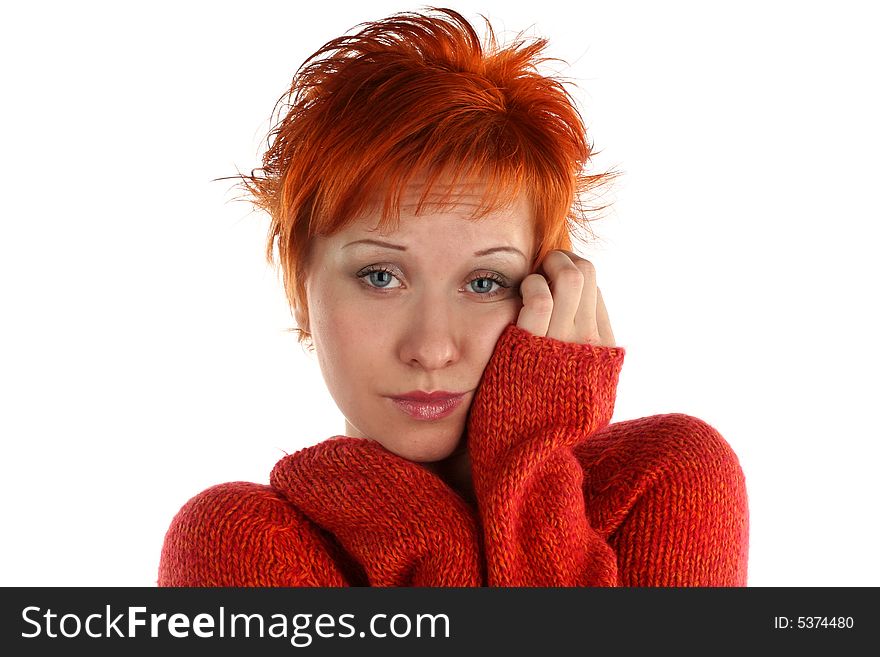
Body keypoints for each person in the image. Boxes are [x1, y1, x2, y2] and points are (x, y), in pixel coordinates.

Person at [158, 7, 749, 587]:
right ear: (298, 289)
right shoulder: (237, 542)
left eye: (485, 283)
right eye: (380, 276)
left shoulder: (667, 477)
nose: (433, 348)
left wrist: (528, 461)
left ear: (553, 291)